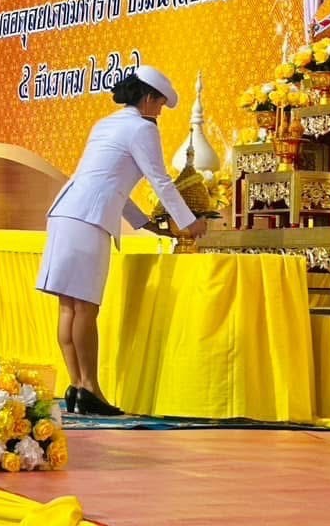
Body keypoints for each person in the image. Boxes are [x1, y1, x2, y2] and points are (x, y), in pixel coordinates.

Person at [35, 65, 208, 416]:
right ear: (148, 99)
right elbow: (159, 180)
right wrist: (189, 223)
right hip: (87, 219)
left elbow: (109, 183)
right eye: (160, 104)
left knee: (69, 307)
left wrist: (147, 224)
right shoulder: (142, 128)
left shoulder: (107, 124)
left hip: (67, 211)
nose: (160, 111)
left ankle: (78, 385)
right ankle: (91, 388)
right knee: (85, 308)